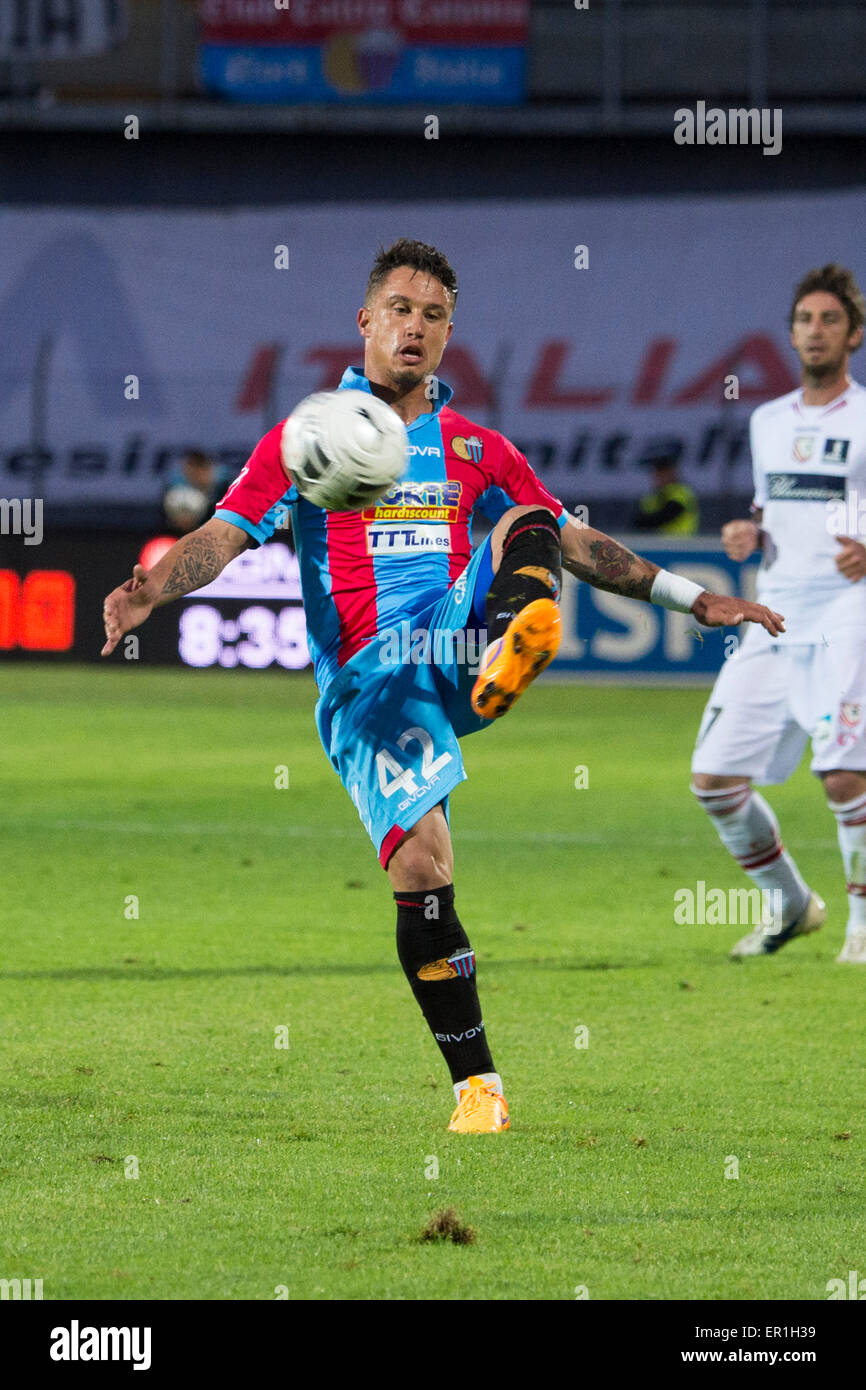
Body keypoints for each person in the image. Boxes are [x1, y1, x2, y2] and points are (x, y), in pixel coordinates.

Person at [102, 239, 784, 1131]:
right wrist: (153, 585)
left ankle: (514, 637)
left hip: (457, 639)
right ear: (366, 321)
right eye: (400, 310)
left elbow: (576, 544)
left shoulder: (473, 448)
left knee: (532, 513)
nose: (414, 328)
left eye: (432, 316)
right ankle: (480, 1092)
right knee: (423, 865)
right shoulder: (307, 440)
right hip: (371, 684)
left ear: (449, 332)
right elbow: (228, 534)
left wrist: (694, 599)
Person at [691, 263, 866, 963]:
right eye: (804, 320)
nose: (815, 331)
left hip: (848, 611)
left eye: (829, 319)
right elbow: (774, 509)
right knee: (714, 782)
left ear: (854, 334)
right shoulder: (767, 423)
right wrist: (749, 533)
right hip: (773, 613)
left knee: (846, 773)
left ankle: (862, 926)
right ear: (791, 334)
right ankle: (792, 905)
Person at [632, 444, 699, 535]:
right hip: (654, 546)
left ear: (673, 472)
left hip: (682, 546)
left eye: (663, 471)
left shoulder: (681, 492)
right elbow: (637, 521)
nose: (659, 476)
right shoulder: (653, 496)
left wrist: (645, 521)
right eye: (657, 472)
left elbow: (665, 516)